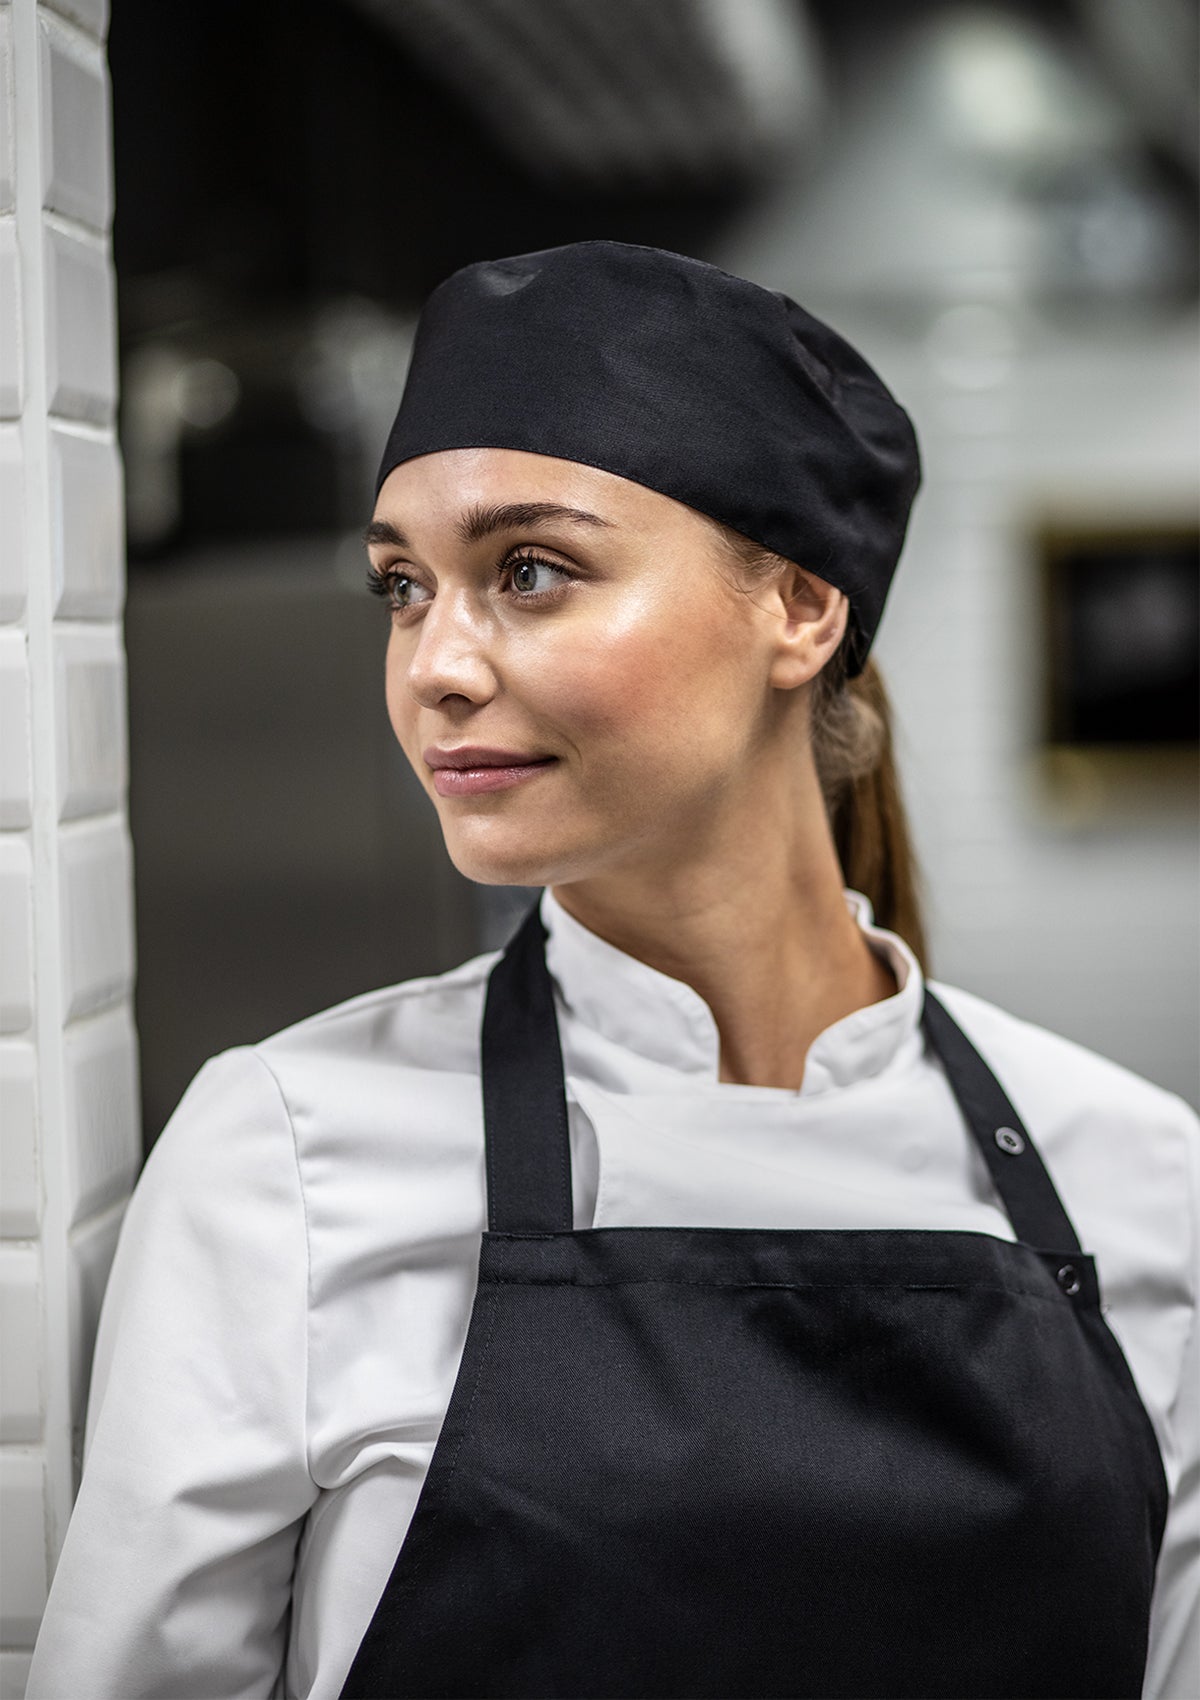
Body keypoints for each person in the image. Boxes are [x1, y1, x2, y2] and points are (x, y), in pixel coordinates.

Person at [27, 240, 1197, 1700]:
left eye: (528, 571)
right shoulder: (286, 1160)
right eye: (402, 587)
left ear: (800, 608)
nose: (434, 665)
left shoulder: (1147, 1187)